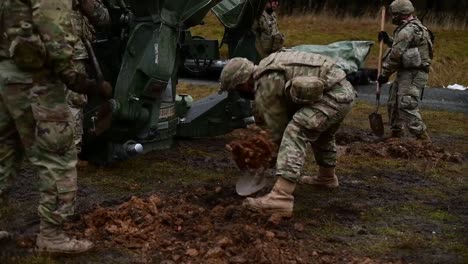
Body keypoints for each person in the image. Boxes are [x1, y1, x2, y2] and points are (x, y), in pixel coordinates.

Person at [0, 0, 110, 253]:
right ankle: (52, 235)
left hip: (5, 76)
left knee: (4, 153)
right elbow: (56, 36)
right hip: (36, 81)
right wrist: (82, 83)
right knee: (57, 156)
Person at [219, 51, 356, 219]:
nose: (239, 92)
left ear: (244, 81)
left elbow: (278, 128)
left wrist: (262, 155)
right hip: (341, 91)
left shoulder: (266, 81)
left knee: (297, 129)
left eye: (237, 88)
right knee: (322, 134)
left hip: (334, 95)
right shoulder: (267, 67)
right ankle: (326, 178)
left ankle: (281, 197)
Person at [377, 0, 433, 140]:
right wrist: (388, 40)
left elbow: (396, 56)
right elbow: (404, 47)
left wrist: (384, 75)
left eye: (393, 14)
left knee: (406, 104)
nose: (392, 17)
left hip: (414, 74)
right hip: (406, 72)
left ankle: (423, 139)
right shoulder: (412, 27)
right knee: (393, 103)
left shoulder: (407, 30)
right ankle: (396, 134)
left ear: (399, 14)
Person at [68, 0, 110, 154]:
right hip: (72, 51)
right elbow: (102, 17)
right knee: (74, 100)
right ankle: (72, 153)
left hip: (45, 50)